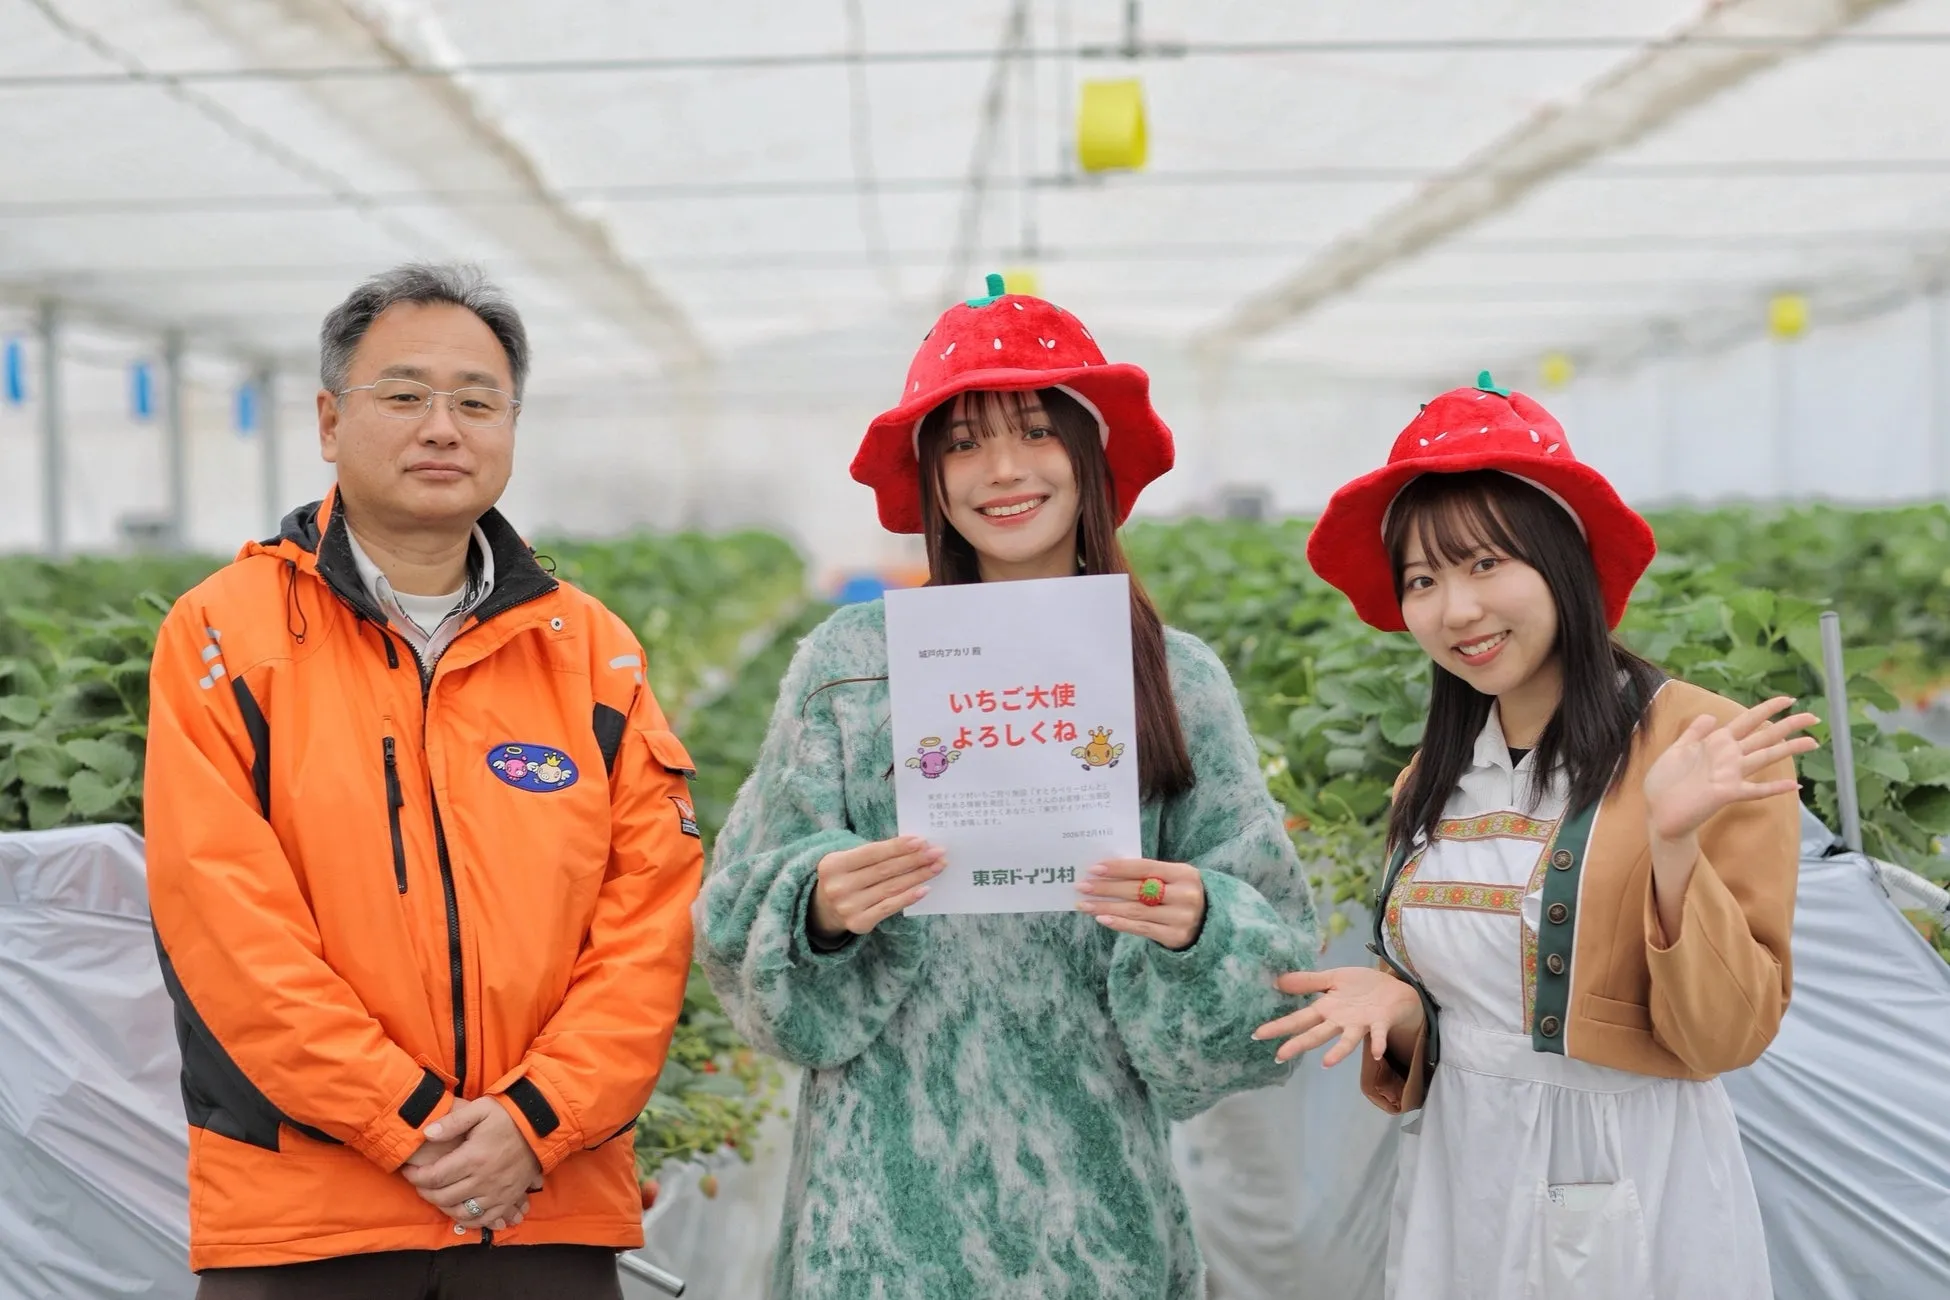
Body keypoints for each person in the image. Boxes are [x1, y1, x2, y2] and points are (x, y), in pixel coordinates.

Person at [699, 274, 1318, 1299]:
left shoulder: (1176, 675)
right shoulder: (853, 662)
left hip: (1096, 1206)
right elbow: (733, 918)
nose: (1002, 470)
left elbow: (1279, 955)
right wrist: (816, 905)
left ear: (1090, 458)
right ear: (932, 480)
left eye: (1035, 430)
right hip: (879, 1217)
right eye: (962, 442)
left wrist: (1202, 921)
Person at [144, 264, 703, 1298]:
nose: (443, 427)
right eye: (403, 395)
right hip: (310, 1220)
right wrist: (410, 1124)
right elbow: (225, 920)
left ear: (510, 428)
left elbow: (649, 917)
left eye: (476, 401)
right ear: (328, 420)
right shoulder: (226, 634)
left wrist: (537, 1120)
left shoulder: (589, 650)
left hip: (540, 1209)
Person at [1256, 374, 1817, 1299]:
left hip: (1628, 1172)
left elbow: (1726, 1036)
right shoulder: (1429, 782)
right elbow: (1478, 1004)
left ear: (1563, 560)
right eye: (1424, 581)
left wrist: (1673, 848)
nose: (1457, 611)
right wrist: (1402, 1008)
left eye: (1486, 564)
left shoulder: (1709, 745)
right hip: (1460, 1166)